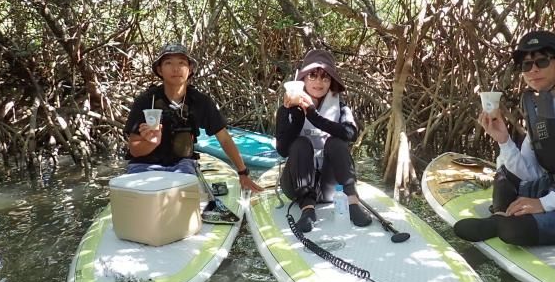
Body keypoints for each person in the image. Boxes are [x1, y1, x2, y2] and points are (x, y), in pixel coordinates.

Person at [454, 30, 555, 246]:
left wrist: (543, 204)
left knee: (515, 231)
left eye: (542, 61)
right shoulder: (542, 108)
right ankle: (502, 218)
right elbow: (530, 173)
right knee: (504, 176)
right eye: (526, 65)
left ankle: (506, 223)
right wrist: (504, 140)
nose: (534, 70)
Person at [124, 43, 261, 192]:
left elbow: (224, 138)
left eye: (181, 63)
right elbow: (134, 149)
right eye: (168, 63)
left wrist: (242, 172)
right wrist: (152, 143)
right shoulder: (145, 101)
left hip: (182, 165)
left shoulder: (200, 101)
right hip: (145, 165)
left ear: (189, 69)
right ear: (159, 70)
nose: (176, 69)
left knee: (182, 193)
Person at [275, 49, 372, 233]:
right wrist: (297, 115)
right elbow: (282, 150)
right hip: (297, 186)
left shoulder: (341, 108)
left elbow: (350, 133)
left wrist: (313, 115)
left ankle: (353, 203)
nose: (319, 82)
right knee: (300, 143)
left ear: (331, 83)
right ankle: (307, 210)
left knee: (337, 142)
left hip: (332, 188)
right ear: (303, 79)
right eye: (313, 75)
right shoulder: (285, 110)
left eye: (325, 78)